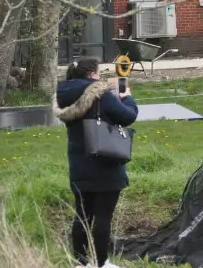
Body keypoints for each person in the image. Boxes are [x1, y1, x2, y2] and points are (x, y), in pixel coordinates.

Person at [54, 58, 139, 268]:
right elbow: (128, 117)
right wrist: (127, 98)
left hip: (79, 164)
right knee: (103, 216)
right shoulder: (101, 94)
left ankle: (80, 263)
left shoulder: (63, 95)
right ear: (92, 74)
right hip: (105, 163)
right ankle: (102, 263)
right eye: (98, 72)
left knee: (82, 215)